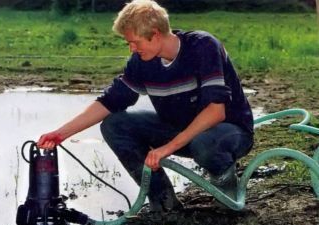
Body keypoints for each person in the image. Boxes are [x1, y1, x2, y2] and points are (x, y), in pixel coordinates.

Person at [38, 0, 254, 212]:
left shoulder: (203, 47)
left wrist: (166, 148)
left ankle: (225, 182)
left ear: (156, 33)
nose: (132, 49)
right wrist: (60, 134)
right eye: (128, 43)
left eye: (136, 42)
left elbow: (216, 112)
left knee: (205, 143)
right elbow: (109, 101)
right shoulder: (142, 61)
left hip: (228, 132)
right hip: (181, 131)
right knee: (115, 124)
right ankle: (163, 200)